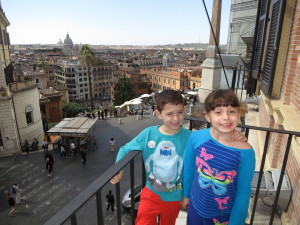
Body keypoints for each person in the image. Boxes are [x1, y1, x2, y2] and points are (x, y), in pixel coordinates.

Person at [110, 90, 192, 225]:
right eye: (170, 114)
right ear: (158, 114)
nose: (176, 118)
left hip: (175, 197)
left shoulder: (190, 137)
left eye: (180, 112)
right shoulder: (148, 134)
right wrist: (119, 169)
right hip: (151, 193)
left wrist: (186, 196)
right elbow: (125, 149)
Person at [182, 89, 255, 225]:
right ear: (208, 117)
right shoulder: (195, 138)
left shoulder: (245, 152)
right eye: (218, 112)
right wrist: (186, 195)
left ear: (239, 114)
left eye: (231, 111)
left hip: (222, 216)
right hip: (195, 207)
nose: (226, 117)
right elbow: (188, 169)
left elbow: (243, 192)